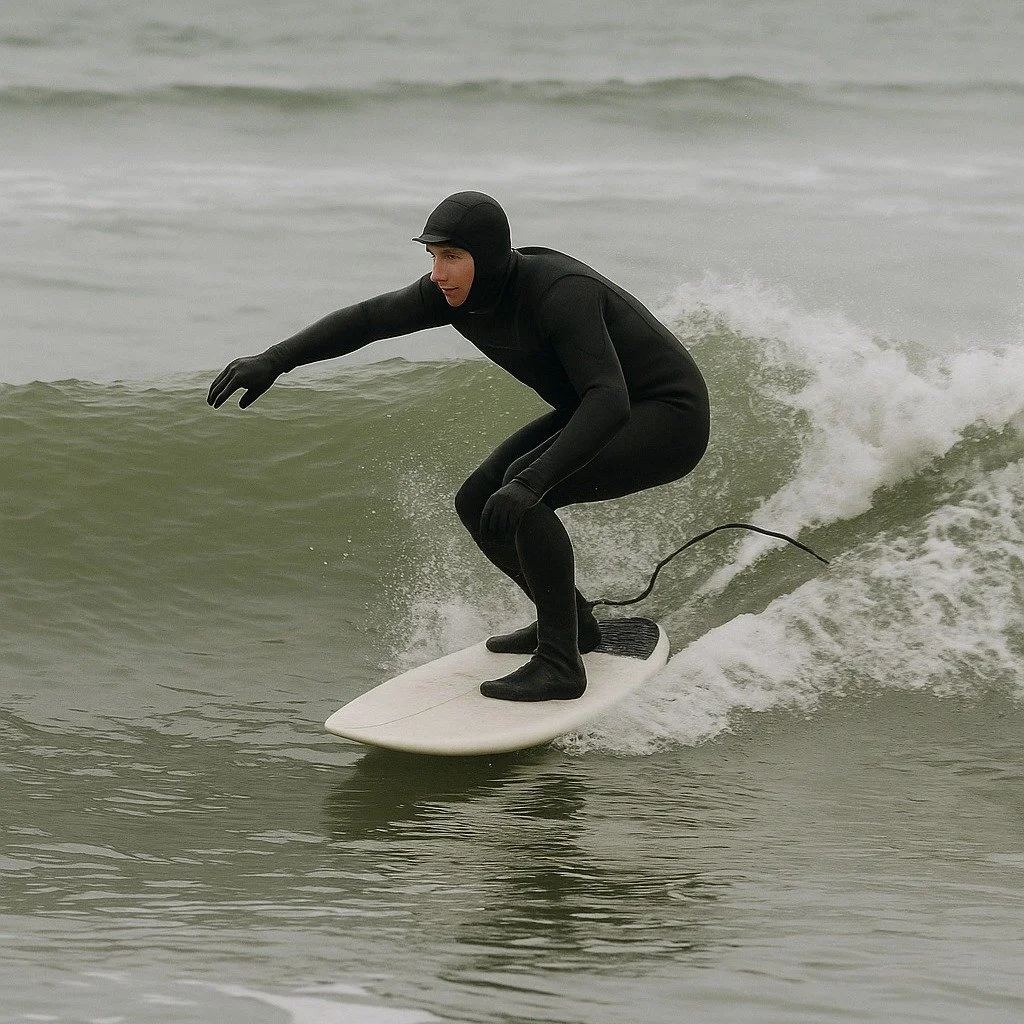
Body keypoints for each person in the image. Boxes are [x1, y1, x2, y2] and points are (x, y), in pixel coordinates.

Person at [208, 191, 710, 702]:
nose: (438, 273)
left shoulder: (561, 293)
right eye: (433, 256)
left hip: (668, 417)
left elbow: (608, 398)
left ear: (487, 258)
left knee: (524, 496)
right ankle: (574, 626)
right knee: (478, 499)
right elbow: (368, 319)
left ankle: (561, 665)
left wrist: (531, 483)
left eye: (451, 256)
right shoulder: (454, 294)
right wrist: (275, 359)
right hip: (599, 406)